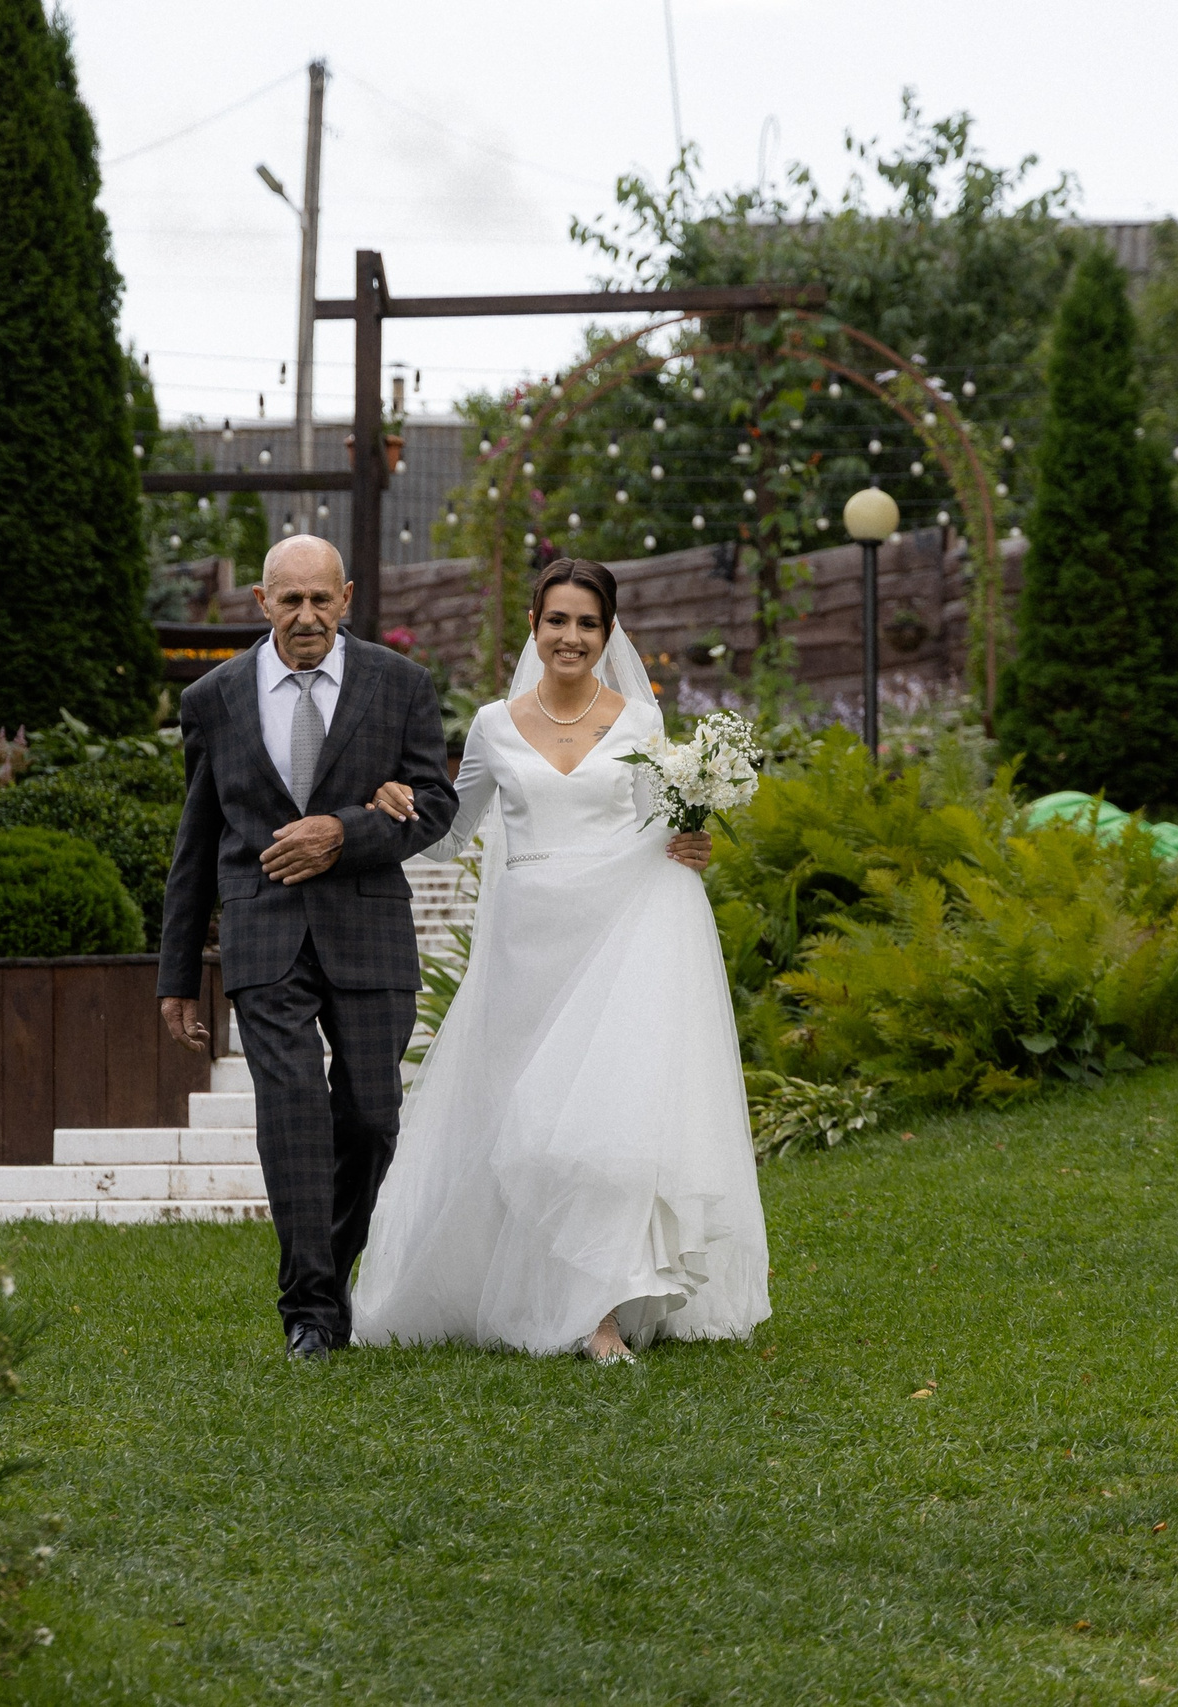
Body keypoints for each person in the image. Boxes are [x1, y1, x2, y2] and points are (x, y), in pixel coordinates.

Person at [348, 560, 770, 1362]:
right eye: (557, 621)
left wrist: (692, 840)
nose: (571, 637)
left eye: (587, 623)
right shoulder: (493, 725)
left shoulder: (641, 722)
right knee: (528, 1127)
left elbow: (658, 827)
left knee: (604, 1127)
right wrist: (394, 803)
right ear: (534, 626)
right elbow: (451, 834)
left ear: (608, 633)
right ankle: (521, 1287)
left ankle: (598, 1311)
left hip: (618, 939)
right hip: (526, 947)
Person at [157, 536, 459, 1364]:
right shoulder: (214, 698)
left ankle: (332, 1270)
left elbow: (434, 806)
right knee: (291, 1111)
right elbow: (196, 840)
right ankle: (312, 1312)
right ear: (262, 603)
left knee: (371, 1117)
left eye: (321, 599)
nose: (306, 616)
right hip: (263, 932)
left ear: (347, 597)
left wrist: (345, 832)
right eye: (289, 600)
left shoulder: (401, 686)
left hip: (369, 929)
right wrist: (177, 975)